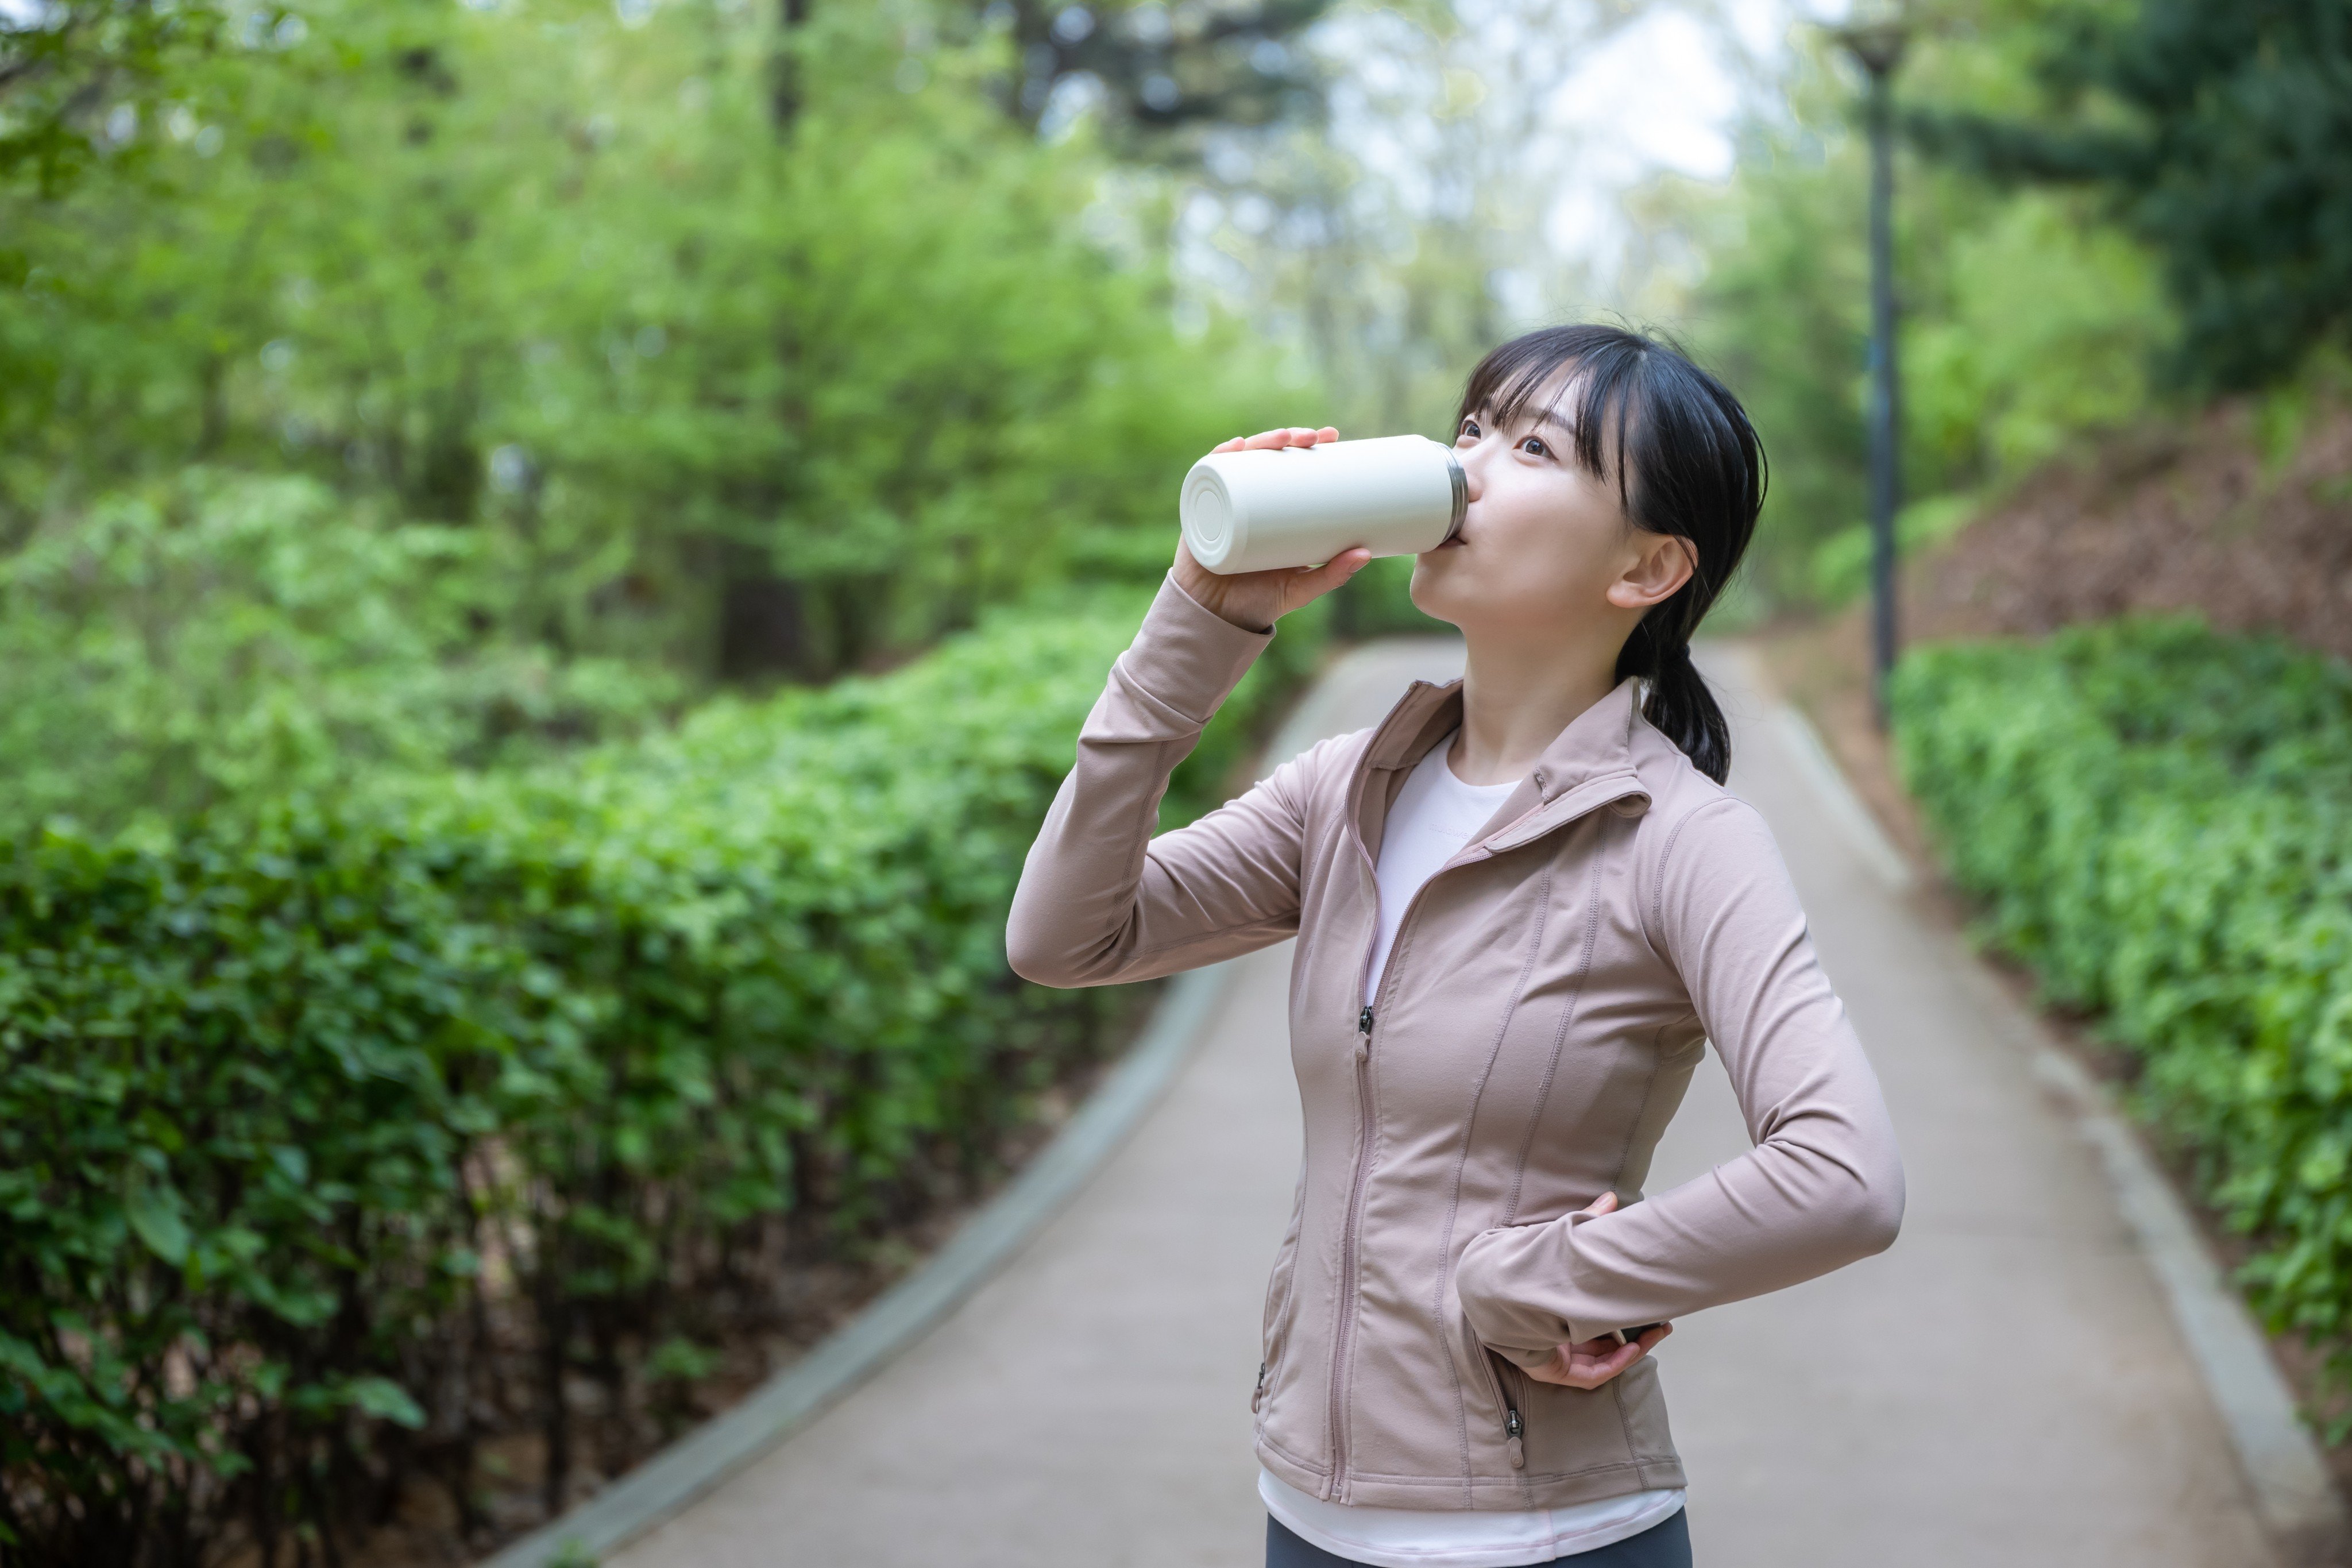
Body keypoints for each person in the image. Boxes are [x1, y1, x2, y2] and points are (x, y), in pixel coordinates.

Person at [1005, 323, 1905, 1568]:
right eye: (1471, 427)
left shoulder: (1681, 839)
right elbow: (1065, 935)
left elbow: (1842, 1177)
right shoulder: (1345, 795)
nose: (1465, 466)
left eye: (1530, 446)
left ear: (1644, 567)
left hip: (1549, 1538)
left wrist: (1549, 1282)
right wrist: (1194, 625)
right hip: (1307, 1516)